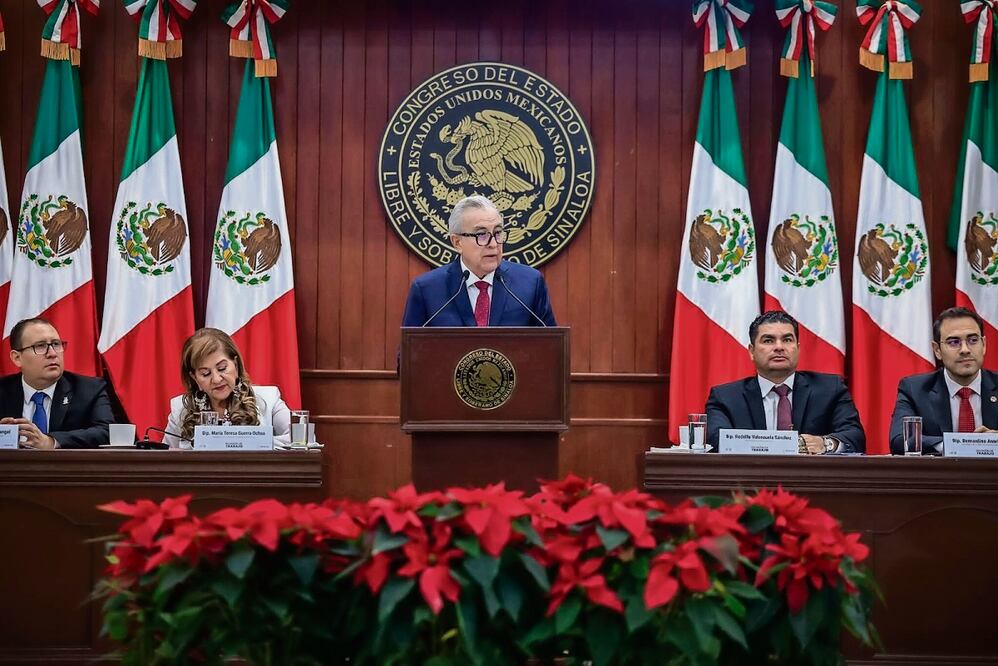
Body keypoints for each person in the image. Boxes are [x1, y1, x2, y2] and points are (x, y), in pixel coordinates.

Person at [705, 311, 865, 454]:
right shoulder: (726, 398)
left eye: (787, 340)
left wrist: (824, 444)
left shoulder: (830, 389)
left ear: (798, 348)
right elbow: (717, 441)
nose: (779, 347)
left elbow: (855, 437)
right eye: (768, 340)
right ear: (751, 351)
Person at [401, 195, 557, 327]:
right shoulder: (427, 290)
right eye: (481, 235)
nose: (493, 244)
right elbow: (410, 351)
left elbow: (550, 347)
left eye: (498, 233)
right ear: (457, 242)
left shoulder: (530, 283)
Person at [889, 307, 997, 455]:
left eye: (973, 340)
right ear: (937, 350)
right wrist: (956, 445)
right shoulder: (915, 389)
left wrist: (994, 442)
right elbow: (901, 440)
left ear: (983, 344)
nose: (965, 349)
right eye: (954, 342)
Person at [164, 328, 291, 449]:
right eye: (205, 374)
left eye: (222, 368)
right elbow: (165, 456)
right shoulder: (181, 409)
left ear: (235, 365)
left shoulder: (268, 399)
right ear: (195, 378)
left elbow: (297, 439)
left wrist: (245, 442)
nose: (216, 379)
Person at [0, 318, 113, 448]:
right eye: (40, 346)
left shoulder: (89, 389)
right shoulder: (3, 390)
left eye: (56, 344)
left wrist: (50, 442)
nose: (52, 353)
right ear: (17, 358)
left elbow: (107, 432)